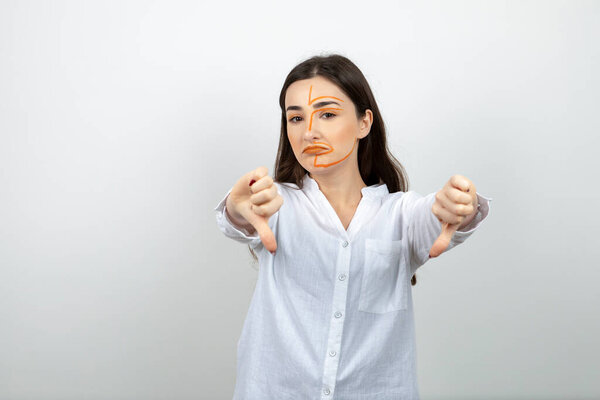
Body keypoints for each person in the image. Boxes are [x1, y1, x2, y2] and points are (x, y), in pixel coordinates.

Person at [214, 54, 492, 400]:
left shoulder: (400, 215)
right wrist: (237, 207)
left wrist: (456, 206)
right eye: (295, 118)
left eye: (327, 114)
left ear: (364, 122)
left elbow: (432, 216)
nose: (309, 131)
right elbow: (240, 216)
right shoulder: (276, 204)